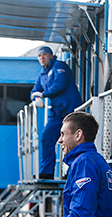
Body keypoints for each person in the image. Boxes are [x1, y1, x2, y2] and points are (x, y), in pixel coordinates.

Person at [31, 46, 82, 180]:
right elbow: (34, 90)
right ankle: (47, 172)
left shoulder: (60, 66)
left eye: (44, 55)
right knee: (47, 137)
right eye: (39, 56)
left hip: (70, 109)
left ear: (51, 56)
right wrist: (36, 97)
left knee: (72, 139)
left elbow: (59, 86)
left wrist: (42, 94)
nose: (42, 57)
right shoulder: (42, 73)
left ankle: (72, 170)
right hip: (57, 112)